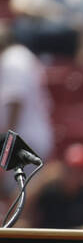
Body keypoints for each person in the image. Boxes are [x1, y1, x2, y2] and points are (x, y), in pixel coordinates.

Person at [0, 21, 54, 164]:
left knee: (18, 185)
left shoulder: (13, 60)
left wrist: (6, 149)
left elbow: (16, 102)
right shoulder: (21, 55)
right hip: (31, 137)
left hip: (24, 140)